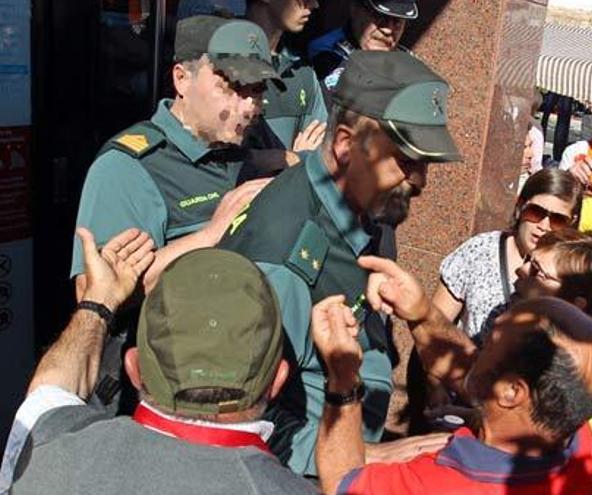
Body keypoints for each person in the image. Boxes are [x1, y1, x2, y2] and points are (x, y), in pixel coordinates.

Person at [218, 50, 461, 477]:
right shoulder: (284, 253)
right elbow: (234, 417)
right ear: (347, 145)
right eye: (406, 162)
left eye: (425, 164)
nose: (420, 181)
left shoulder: (364, 209)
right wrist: (370, 456)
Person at [69, 15, 284, 410]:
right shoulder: (131, 167)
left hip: (241, 383)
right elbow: (94, 293)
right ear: (182, 79)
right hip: (162, 393)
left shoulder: (246, 150)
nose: (249, 105)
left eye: (256, 89)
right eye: (232, 86)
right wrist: (208, 235)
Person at [3, 230, 315, 494]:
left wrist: (98, 303)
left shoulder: (47, 450)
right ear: (277, 381)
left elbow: (49, 389)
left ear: (134, 368)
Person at [313, 289, 592, 494]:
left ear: (512, 392)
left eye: (494, 340)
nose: (478, 347)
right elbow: (482, 380)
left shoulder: (441, 486)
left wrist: (343, 377)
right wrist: (422, 314)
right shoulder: (576, 442)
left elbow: (341, 481)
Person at [512, 229, 592, 493]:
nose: (520, 270)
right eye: (527, 260)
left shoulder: (570, 366)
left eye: (537, 271)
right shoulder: (577, 345)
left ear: (577, 305)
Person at [433, 169, 583, 342]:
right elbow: (435, 325)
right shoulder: (479, 250)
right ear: (520, 206)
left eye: (558, 220)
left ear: (571, 223)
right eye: (535, 212)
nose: (544, 225)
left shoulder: (572, 276)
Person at [243, 0, 328, 156]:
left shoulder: (302, 71)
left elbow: (320, 151)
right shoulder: (221, 62)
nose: (314, 4)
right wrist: (292, 159)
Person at [307, 0, 417, 94]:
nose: (388, 29)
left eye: (397, 21)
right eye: (379, 16)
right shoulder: (326, 55)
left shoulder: (409, 65)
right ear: (355, 8)